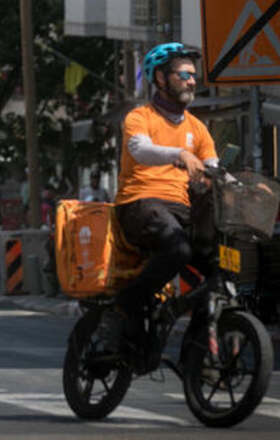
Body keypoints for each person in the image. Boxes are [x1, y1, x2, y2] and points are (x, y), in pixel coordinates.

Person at [98, 42, 219, 353]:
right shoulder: (140, 117)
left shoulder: (198, 127)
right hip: (140, 205)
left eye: (194, 75)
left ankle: (197, 352)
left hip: (182, 211)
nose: (192, 81)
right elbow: (140, 149)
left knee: (218, 270)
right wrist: (179, 154)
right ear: (162, 79)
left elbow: (214, 169)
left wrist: (245, 185)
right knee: (178, 249)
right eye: (183, 74)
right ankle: (125, 305)